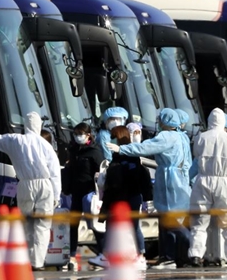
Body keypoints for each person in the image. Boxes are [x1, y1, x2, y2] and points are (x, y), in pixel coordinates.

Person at [0, 112, 61, 270]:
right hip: (45, 185)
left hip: (24, 185)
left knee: (25, 224)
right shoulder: (46, 146)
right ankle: (38, 262)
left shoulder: (14, 140)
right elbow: (55, 173)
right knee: (42, 225)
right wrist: (56, 194)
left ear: (25, 125)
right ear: (39, 125)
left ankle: (25, 259)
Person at [106, 108, 192, 268]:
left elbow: (146, 148)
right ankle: (172, 255)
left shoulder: (166, 137)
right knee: (174, 217)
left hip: (169, 181)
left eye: (160, 119)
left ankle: (185, 247)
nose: (158, 122)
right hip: (180, 180)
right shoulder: (182, 137)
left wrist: (122, 149)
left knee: (169, 218)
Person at [89, 125, 153, 270]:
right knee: (117, 226)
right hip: (122, 197)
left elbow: (137, 179)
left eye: (113, 137)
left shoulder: (129, 158)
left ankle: (139, 257)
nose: (111, 140)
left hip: (126, 197)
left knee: (130, 226)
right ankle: (110, 255)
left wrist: (148, 199)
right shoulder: (121, 159)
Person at [188, 108, 227, 268]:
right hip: (224, 183)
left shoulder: (201, 138)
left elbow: (197, 158)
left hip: (203, 181)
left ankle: (196, 255)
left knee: (199, 221)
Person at [63, 123, 104, 271]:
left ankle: (103, 253)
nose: (77, 136)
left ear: (88, 135)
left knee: (94, 224)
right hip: (76, 192)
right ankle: (72, 255)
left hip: (89, 193)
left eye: (80, 134)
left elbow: (102, 170)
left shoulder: (94, 152)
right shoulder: (73, 150)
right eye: (75, 134)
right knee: (73, 224)